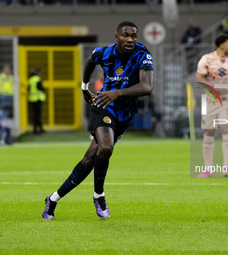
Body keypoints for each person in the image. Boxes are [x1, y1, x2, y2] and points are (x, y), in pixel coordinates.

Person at [42, 21, 154, 220]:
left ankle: (52, 199)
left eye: (133, 36)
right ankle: (99, 195)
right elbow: (90, 62)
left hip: (125, 113)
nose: (130, 40)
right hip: (103, 105)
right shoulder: (104, 53)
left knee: (88, 159)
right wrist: (84, 88)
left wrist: (117, 93)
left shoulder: (143, 55)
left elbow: (147, 87)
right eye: (125, 35)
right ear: (116, 36)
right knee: (106, 148)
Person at [196, 34, 228, 178]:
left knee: (225, 127)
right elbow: (199, 80)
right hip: (210, 101)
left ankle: (226, 167)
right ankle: (208, 170)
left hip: (227, 100)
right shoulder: (206, 59)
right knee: (209, 132)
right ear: (221, 45)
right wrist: (216, 88)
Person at [28, 67, 46, 134]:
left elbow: (29, 88)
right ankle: (37, 129)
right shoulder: (37, 79)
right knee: (37, 115)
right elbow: (40, 88)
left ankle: (39, 128)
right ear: (39, 73)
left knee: (36, 115)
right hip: (38, 99)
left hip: (32, 98)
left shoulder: (31, 79)